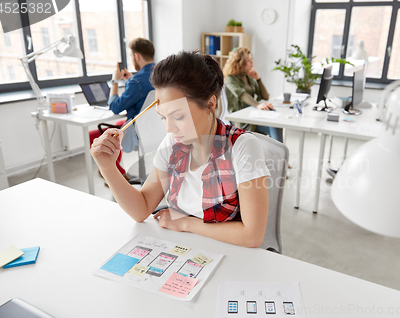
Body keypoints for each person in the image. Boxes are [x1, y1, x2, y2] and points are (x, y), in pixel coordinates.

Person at [90, 51, 270, 248]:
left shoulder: (242, 146)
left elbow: (252, 236)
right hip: (184, 251)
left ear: (210, 104)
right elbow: (141, 210)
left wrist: (186, 223)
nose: (169, 128)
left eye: (179, 117)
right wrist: (108, 167)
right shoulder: (172, 143)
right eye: (164, 118)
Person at [89, 37, 155, 182]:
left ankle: (116, 174)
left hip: (138, 131)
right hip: (157, 129)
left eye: (132, 56)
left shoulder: (136, 82)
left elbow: (115, 107)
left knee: (92, 135)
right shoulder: (162, 74)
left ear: (136, 56)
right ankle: (119, 173)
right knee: (118, 126)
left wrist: (115, 82)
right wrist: (131, 80)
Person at [223, 47, 283, 142]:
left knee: (276, 124)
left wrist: (258, 79)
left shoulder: (248, 78)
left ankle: (278, 152)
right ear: (239, 62)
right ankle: (279, 153)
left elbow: (265, 97)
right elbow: (242, 94)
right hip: (241, 120)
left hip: (251, 116)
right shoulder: (230, 79)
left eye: (251, 60)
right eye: (248, 60)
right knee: (274, 126)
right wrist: (258, 105)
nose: (251, 63)